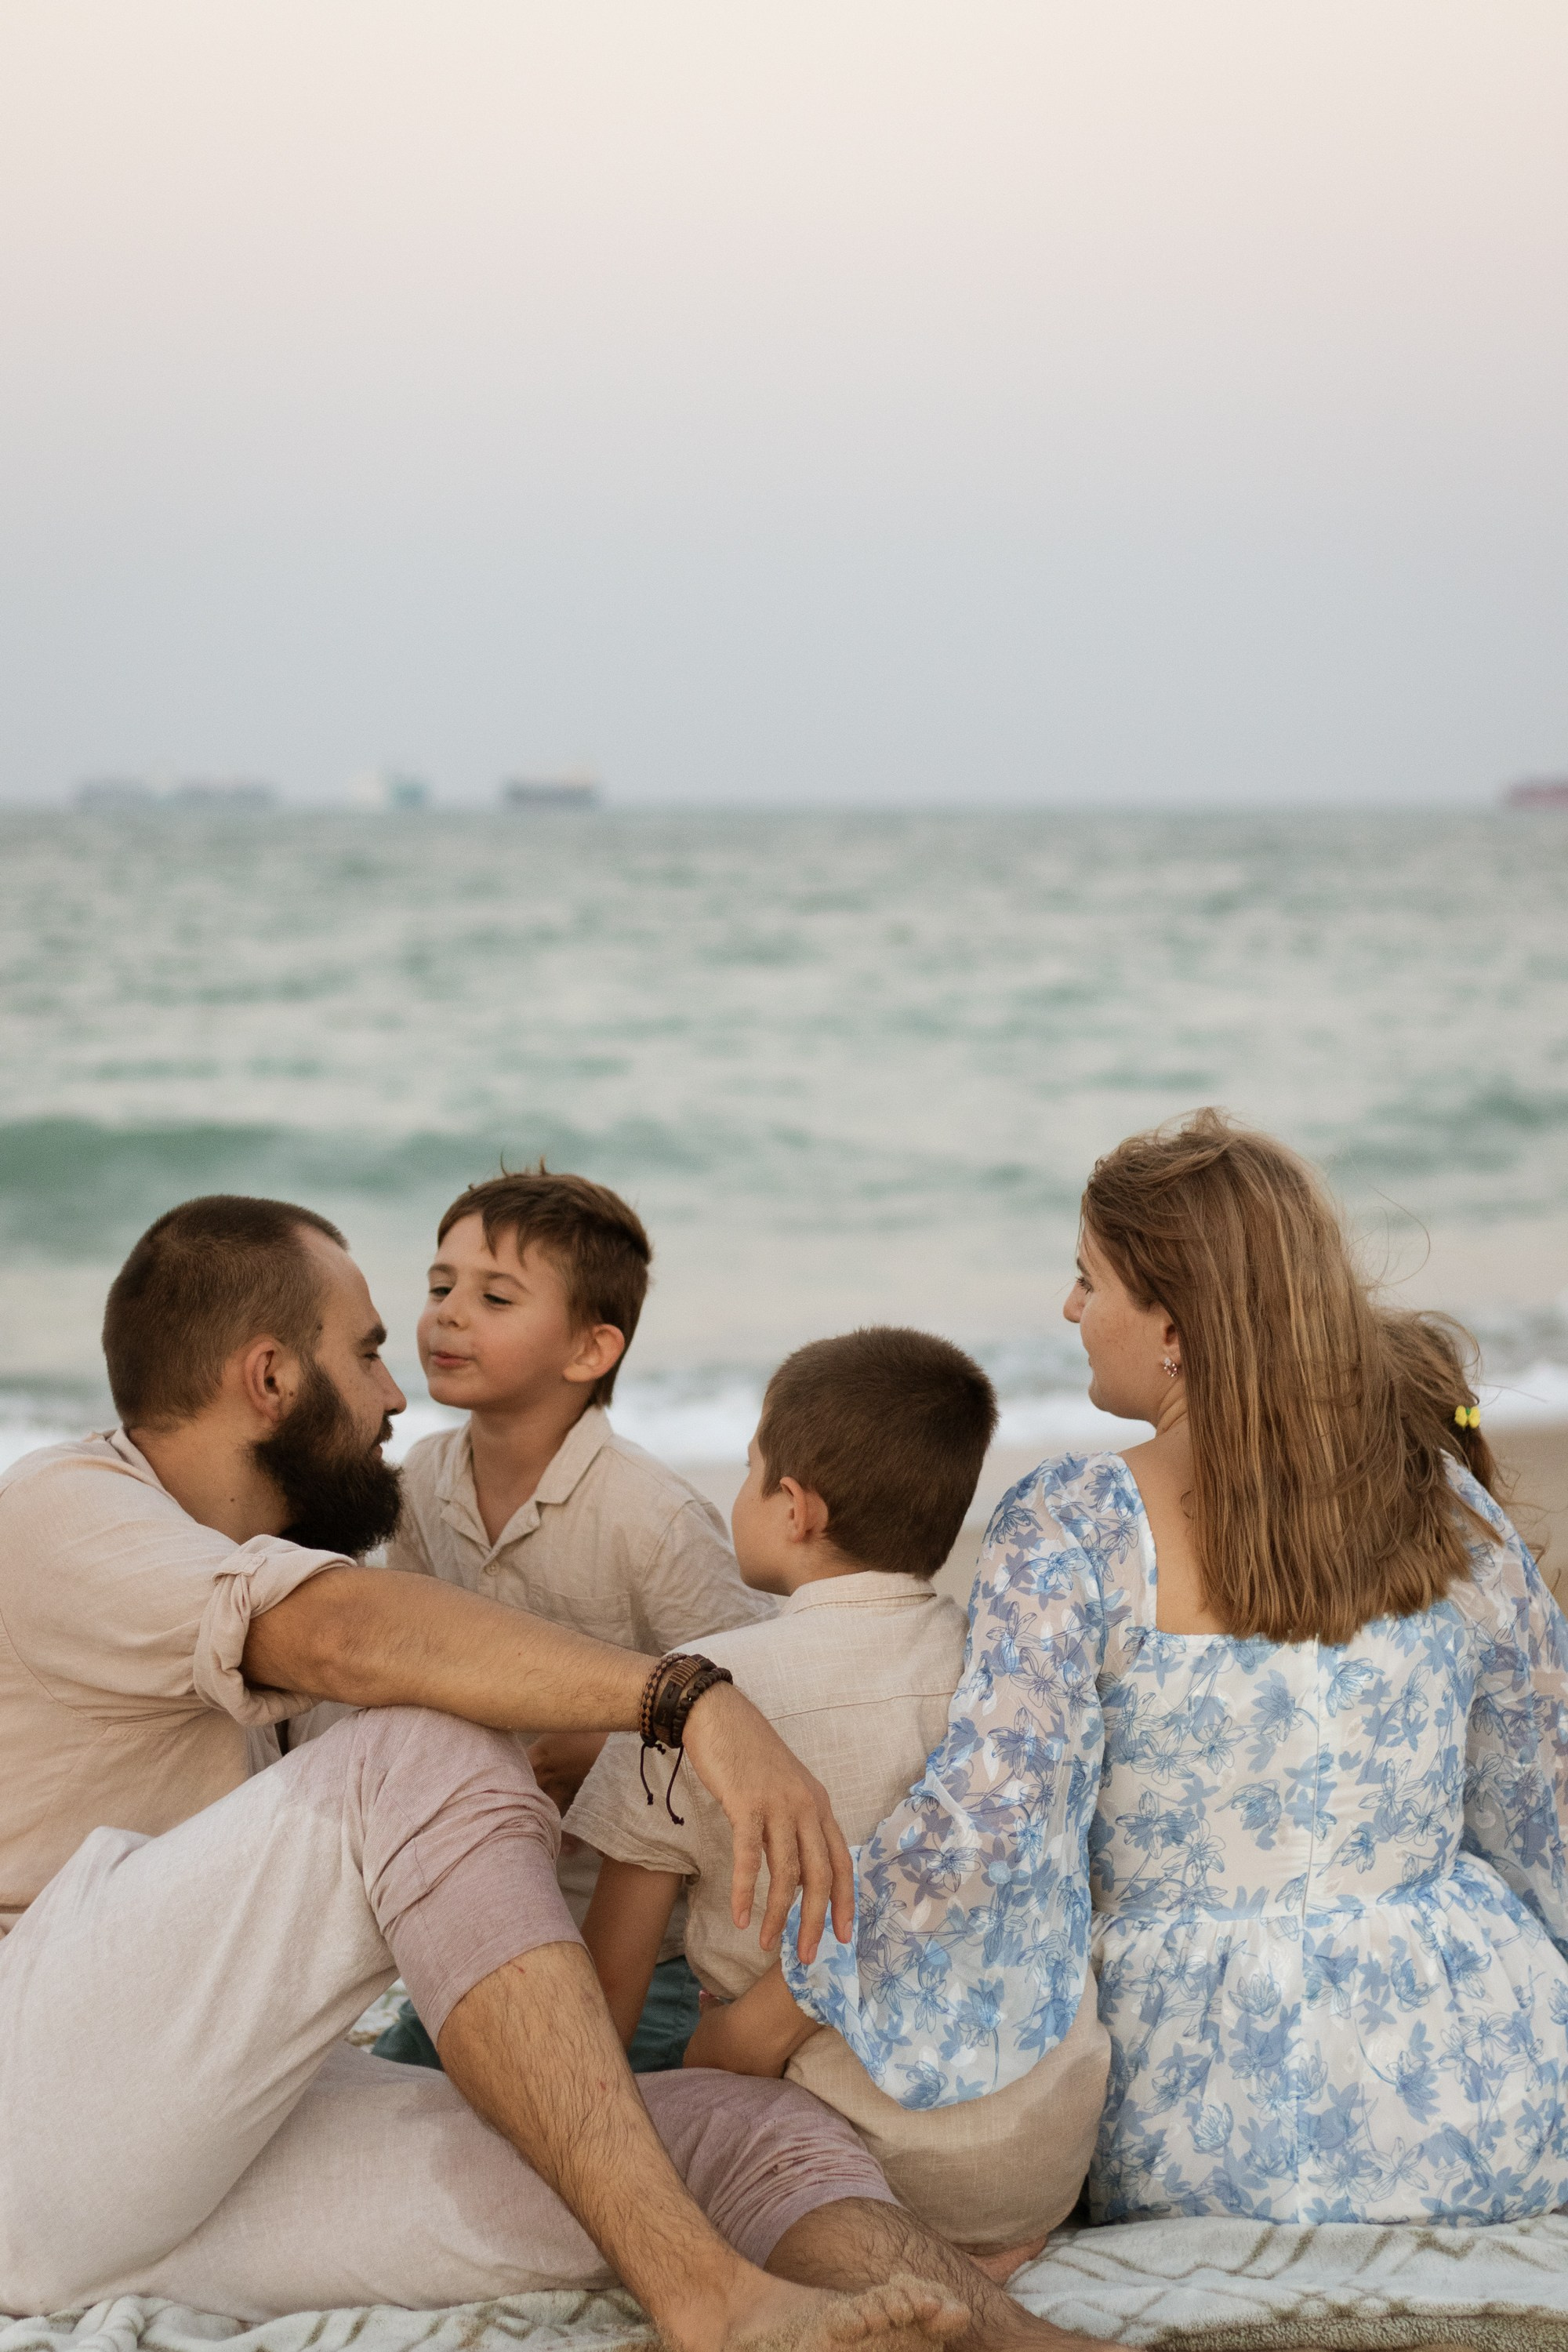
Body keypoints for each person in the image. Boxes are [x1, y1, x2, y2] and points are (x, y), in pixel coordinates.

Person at [0, 1193, 1109, 2352]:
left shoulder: (304, 1560)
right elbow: (343, 1640)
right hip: (37, 2116)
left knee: (746, 2128)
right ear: (270, 1379)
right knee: (428, 1743)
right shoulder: (67, 1508)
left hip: (203, 2149)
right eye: (371, 1351)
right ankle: (705, 2303)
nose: (395, 1391)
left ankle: (1018, 2342)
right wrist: (685, 1698)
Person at [717, 1111, 1568, 2227]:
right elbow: (1536, 1796)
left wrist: (781, 2008)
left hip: (1214, 2108)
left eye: (1088, 1280)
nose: (1071, 1310)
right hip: (1490, 2078)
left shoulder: (1078, 1525)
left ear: (1172, 1325)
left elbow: (989, 1829)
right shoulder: (1439, 1500)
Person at [568, 1328, 1110, 2266]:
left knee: (665, 2066)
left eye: (748, 1472)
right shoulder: (1004, 1680)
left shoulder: (702, 1695)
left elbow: (610, 1987)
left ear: (793, 1507)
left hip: (848, 2171)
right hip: (1041, 2161)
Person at [373, 1167, 773, 2072]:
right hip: (480, 1912)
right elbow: (408, 1668)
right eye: (439, 1287)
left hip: (645, 1948)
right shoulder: (420, 1487)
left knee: (603, 2128)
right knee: (395, 2100)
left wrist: (611, 1753)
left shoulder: (650, 1517)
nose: (447, 1314)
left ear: (590, 1351)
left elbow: (754, 1711)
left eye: (494, 1295)